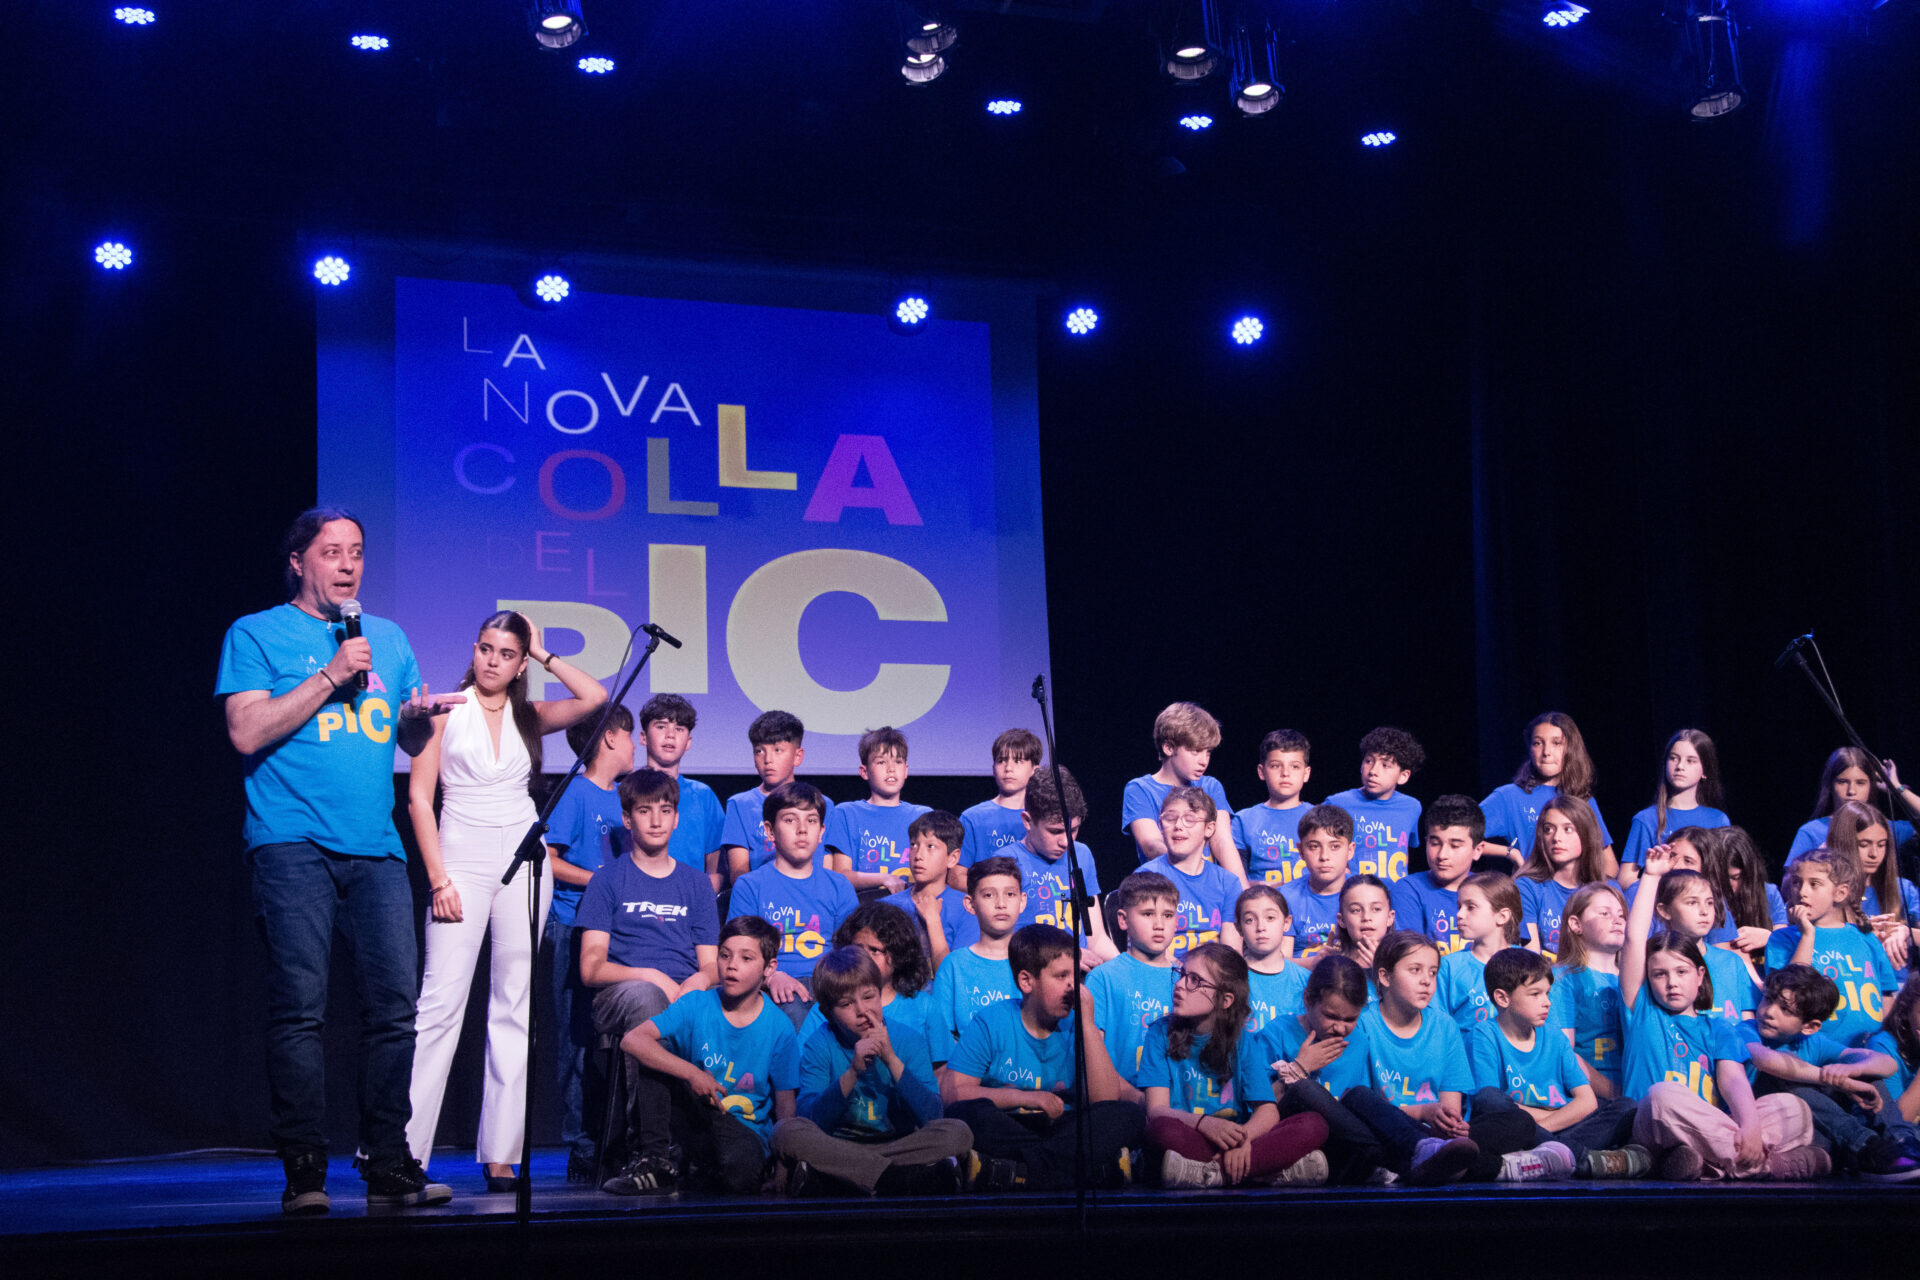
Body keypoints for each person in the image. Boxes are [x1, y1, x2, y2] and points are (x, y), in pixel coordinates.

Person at [216, 507, 450, 1213]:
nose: (348, 565)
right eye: (332, 552)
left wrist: (419, 724)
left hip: (375, 846)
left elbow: (407, 742)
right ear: (298, 562)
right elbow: (245, 732)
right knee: (300, 1010)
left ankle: (388, 1161)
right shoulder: (256, 633)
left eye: (357, 552)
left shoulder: (389, 638)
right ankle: (305, 1169)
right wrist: (329, 675)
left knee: (395, 1011)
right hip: (291, 843)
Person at [405, 610, 608, 1189]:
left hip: (523, 862)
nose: (492, 661)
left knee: (513, 1004)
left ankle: (501, 1153)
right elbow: (419, 798)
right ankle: (406, 1152)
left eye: (506, 653)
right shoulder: (445, 709)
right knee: (440, 1005)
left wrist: (545, 654)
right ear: (473, 650)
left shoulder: (529, 716)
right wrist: (439, 880)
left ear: (520, 664)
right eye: (485, 649)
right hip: (459, 861)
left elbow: (594, 697)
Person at [1622, 845, 1823, 1180]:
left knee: (1795, 1109)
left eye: (1682, 972)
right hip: (1655, 1127)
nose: (1671, 982)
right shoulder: (1641, 1010)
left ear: (1700, 975)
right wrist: (1652, 876)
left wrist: (1751, 1127)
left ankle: (1711, 1163)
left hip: (1710, 1127)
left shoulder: (1718, 1027)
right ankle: (1767, 1165)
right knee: (1661, 1096)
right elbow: (1633, 939)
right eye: (1659, 974)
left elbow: (1733, 1081)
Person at [575, 768, 721, 1181]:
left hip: (684, 995)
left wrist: (698, 982)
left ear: (676, 818)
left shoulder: (696, 884)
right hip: (622, 995)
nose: (656, 820)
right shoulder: (608, 880)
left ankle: (735, 1143)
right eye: (644, 811)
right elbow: (591, 968)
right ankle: (653, 1152)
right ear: (627, 818)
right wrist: (652, 976)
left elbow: (711, 964)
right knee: (647, 1000)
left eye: (665, 810)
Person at [603, 916, 799, 1196]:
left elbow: (785, 1106)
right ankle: (656, 1162)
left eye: (746, 958)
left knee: (740, 1175)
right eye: (725, 955)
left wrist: (783, 1167)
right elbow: (633, 1040)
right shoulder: (697, 1004)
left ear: (769, 968)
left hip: (741, 1127)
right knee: (654, 1054)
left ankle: (695, 1171)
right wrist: (692, 1073)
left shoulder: (779, 1027)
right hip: (695, 1114)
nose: (731, 965)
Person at [940, 925, 1147, 1190]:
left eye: (1074, 975)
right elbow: (953, 1094)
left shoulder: (1079, 1026)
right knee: (966, 1114)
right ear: (1026, 981)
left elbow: (1105, 1100)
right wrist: (1028, 1098)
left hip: (1064, 1127)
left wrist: (1087, 1024)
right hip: (1012, 1124)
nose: (1072, 986)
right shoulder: (991, 1021)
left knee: (1127, 1115)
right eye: (1061, 976)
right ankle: (1085, 1171)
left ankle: (1021, 1173)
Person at [1356, 931, 1572, 1182]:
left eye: (1433, 972)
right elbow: (1366, 1107)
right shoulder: (1363, 1023)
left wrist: (1448, 1123)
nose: (1426, 981)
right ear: (1385, 976)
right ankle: (1501, 1167)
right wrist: (1424, 1111)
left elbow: (1451, 1109)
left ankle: (1430, 1163)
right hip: (1392, 1130)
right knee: (1357, 1111)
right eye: (1415, 970)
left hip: (1439, 1135)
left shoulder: (1445, 1026)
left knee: (1519, 1121)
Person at [773, 946, 973, 1196]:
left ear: (880, 994)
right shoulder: (819, 1044)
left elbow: (933, 1115)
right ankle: (894, 1178)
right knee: (786, 1132)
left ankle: (846, 1179)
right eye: (847, 1004)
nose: (862, 1011)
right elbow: (811, 1120)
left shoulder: (908, 1039)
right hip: (838, 1147)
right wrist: (852, 1073)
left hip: (898, 1146)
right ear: (828, 1013)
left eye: (869, 997)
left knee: (958, 1133)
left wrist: (891, 1059)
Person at [1141, 942, 1331, 1187]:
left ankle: (1212, 1173)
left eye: (1195, 980)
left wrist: (1244, 1141)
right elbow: (1157, 1111)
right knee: (1161, 1130)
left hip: (1237, 1142)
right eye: (1182, 975)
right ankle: (1263, 1172)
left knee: (1314, 1124)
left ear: (1225, 1000)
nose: (1180, 985)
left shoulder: (1243, 1041)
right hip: (1193, 1134)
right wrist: (1205, 1124)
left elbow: (1267, 1110)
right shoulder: (1159, 1033)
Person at [543, 704, 636, 1181]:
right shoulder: (575, 793)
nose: (636, 745)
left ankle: (617, 1138)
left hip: (620, 931)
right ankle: (581, 1144)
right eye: (631, 735)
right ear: (611, 738)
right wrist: (600, 882)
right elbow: (548, 859)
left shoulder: (625, 798)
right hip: (574, 926)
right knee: (577, 1039)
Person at [1467, 948, 1648, 1178]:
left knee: (1626, 1107)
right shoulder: (1484, 1035)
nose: (1547, 1003)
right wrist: (1532, 1124)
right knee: (1491, 1101)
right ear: (1503, 998)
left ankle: (1551, 1154)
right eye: (1535, 994)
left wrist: (1541, 1130)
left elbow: (1587, 1102)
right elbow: (1492, 1103)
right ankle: (1582, 1159)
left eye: (1547, 993)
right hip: (1519, 1125)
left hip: (1551, 1127)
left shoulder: (1554, 1036)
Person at [1736, 965, 1917, 1180]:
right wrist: (1839, 1082)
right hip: (1768, 1125)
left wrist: (1852, 1070)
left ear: (1810, 1027)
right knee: (1785, 1074)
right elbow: (1765, 1060)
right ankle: (1865, 1147)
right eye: (1768, 999)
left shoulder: (1811, 1042)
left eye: (1785, 1009)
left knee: (1862, 1068)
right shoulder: (1746, 1030)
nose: (1769, 1012)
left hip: (1820, 1131)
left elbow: (1887, 1063)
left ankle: (1901, 1141)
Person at [726, 781, 858, 1031]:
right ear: (770, 831)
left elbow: (852, 952)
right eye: (790, 820)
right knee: (794, 1010)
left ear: (821, 832)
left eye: (811, 821)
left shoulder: (839, 886)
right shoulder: (750, 886)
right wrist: (771, 977)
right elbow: (740, 952)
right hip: (774, 985)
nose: (802, 830)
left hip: (829, 984)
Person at [1765, 847, 1896, 1046]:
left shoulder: (1865, 937)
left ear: (1840, 893)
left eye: (1814, 884)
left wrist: (1882, 1041)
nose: (1802, 892)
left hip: (1867, 1048)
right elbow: (1789, 991)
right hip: (1813, 1047)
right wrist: (1807, 934)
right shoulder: (1782, 939)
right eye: (1797, 882)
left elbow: (1886, 994)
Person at [1122, 702, 1249, 882]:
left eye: (1208, 752)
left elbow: (1223, 843)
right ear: (1168, 748)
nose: (1204, 761)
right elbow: (1151, 845)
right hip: (1167, 886)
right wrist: (1191, 868)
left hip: (1209, 884)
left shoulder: (1211, 786)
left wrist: (1243, 892)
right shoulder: (1140, 789)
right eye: (1196, 751)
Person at [1478, 712, 1615, 873]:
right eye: (1537, 743)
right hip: (1531, 886)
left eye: (1556, 743)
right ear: (1530, 749)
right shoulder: (1509, 796)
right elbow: (1460, 834)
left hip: (1576, 888)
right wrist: (1510, 853)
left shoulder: (1582, 798)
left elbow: (1610, 866)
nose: (1546, 752)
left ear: (1571, 748)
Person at [1086, 871, 1181, 1093]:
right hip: (1123, 1100)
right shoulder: (1103, 978)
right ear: (1123, 919)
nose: (1159, 924)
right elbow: (1093, 1058)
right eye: (1148, 914)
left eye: (1168, 915)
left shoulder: (1185, 979)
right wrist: (1137, 1100)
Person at [1014, 767, 1119, 965]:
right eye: (1055, 831)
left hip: (1080, 974)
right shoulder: (1007, 862)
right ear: (1028, 821)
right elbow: (1003, 946)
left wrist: (1125, 970)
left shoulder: (1082, 855)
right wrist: (1068, 955)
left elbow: (1096, 938)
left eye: (1073, 830)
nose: (1065, 842)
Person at [926, 856, 1027, 1057]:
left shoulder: (1034, 962)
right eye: (989, 895)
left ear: (1022, 901)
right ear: (970, 904)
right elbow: (941, 1040)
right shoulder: (954, 966)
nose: (1001, 904)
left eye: (1010, 894)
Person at [798, 902, 938, 1046]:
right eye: (857, 948)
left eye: (875, 950)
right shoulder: (829, 1008)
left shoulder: (924, 1006)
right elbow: (804, 1057)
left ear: (899, 955)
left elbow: (941, 1061)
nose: (864, 956)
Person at [719, 711, 834, 885]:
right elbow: (739, 873)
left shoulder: (822, 804)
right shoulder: (740, 805)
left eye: (777, 750)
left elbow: (827, 867)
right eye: (759, 751)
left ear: (797, 756)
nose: (768, 760)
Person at [632, 694, 726, 894]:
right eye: (661, 726)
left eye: (679, 729)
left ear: (688, 742)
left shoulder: (703, 796)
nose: (670, 735)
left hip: (689, 902)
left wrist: (702, 900)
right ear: (643, 737)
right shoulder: (626, 792)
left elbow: (715, 869)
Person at [824, 725, 931, 899]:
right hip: (864, 907)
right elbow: (841, 874)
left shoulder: (923, 816)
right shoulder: (846, 814)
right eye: (881, 762)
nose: (891, 769)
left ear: (906, 770)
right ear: (864, 771)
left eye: (898, 762)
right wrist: (884, 878)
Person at [1648, 861, 1760, 1023]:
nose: (1704, 911)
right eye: (1692, 902)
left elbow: (1748, 1021)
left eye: (1709, 902)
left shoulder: (1732, 962)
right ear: (1664, 910)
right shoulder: (1655, 963)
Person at [1139, 786, 1244, 956]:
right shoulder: (1147, 877)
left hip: (1213, 970)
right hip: (1164, 968)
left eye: (1189, 819)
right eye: (1170, 818)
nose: (1178, 826)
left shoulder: (1228, 883)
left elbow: (1231, 952)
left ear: (1209, 828)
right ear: (1161, 825)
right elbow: (1144, 947)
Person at [1546, 882, 1629, 1098]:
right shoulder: (1563, 979)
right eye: (1604, 913)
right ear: (1576, 924)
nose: (1617, 920)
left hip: (1635, 1089)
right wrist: (1615, 1095)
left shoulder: (1633, 979)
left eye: (1621, 915)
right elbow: (1565, 1053)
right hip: (1590, 1096)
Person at [1619, 729, 1729, 885]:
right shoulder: (1646, 819)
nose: (1680, 766)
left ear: (1704, 771)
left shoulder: (1718, 820)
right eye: (1673, 758)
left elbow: (1725, 875)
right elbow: (1626, 878)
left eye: (1690, 761)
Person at [1823, 800, 1918, 975]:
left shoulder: (1903, 888)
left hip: (1898, 984)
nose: (1874, 854)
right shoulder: (1825, 891)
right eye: (1864, 845)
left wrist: (1906, 932)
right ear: (1844, 843)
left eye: (1881, 845)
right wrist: (1861, 934)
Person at [1322, 726, 1425, 883]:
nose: (1373, 771)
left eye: (1385, 765)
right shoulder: (1337, 803)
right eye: (1369, 761)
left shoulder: (1411, 807)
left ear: (1403, 776)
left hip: (1394, 894)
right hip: (1352, 891)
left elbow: (1403, 849)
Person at [1516, 795, 1614, 959]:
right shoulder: (1527, 886)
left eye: (1568, 829)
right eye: (1548, 829)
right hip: (1547, 974)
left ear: (1586, 834)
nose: (1556, 838)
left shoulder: (1609, 889)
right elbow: (1530, 958)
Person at [880, 810, 979, 967]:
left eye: (930, 846)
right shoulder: (885, 906)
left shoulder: (967, 909)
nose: (918, 855)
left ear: (952, 858)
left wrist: (933, 920)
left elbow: (955, 975)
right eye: (913, 845)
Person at [1785, 747, 1919, 862]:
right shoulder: (1812, 831)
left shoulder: (1885, 828)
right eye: (1842, 782)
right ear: (1831, 785)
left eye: (1860, 783)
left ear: (1871, 786)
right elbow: (1790, 879)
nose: (1851, 791)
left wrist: (1896, 788)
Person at [1390, 794, 1483, 954]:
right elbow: (1411, 957)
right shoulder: (1409, 889)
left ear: (1477, 850)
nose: (1442, 855)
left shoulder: (1490, 891)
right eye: (1435, 843)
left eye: (1455, 846)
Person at [953, 728, 1044, 889]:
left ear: (1034, 770)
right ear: (993, 768)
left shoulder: (1042, 818)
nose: (1008, 768)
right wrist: (992, 894)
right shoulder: (973, 818)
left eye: (1018, 761)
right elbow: (956, 876)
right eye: (1001, 760)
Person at [1435, 872, 1525, 1034]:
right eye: (1459, 907)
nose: (1459, 914)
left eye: (1471, 907)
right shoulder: (1449, 967)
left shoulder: (1527, 963)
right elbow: (1439, 1027)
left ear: (1502, 916)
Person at [1230, 730, 1314, 887]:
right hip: (1261, 900)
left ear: (1306, 773)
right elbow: (1234, 881)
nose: (1285, 773)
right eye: (1275, 766)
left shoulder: (1320, 817)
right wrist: (1264, 887)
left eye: (1295, 766)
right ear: (1261, 772)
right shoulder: (1243, 821)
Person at [1279, 804, 1355, 959]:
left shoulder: (1364, 894)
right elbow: (1280, 963)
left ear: (1350, 850)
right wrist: (1314, 963)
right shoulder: (1286, 897)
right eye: (1314, 847)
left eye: (1335, 846)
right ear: (1301, 851)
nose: (1324, 856)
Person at [1237, 885, 1309, 1034]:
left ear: (1286, 923)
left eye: (1270, 918)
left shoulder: (1306, 981)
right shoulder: (1229, 978)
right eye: (1250, 920)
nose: (1260, 927)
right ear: (1239, 928)